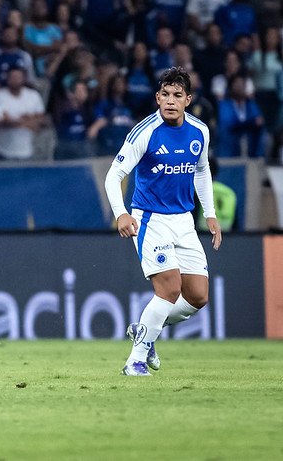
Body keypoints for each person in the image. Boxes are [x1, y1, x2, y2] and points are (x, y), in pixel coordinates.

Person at [104, 67, 221, 376]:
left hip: (184, 219)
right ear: (157, 98)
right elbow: (114, 175)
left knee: (198, 296)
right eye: (165, 95)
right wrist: (121, 213)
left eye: (177, 96)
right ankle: (135, 361)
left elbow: (201, 169)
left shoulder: (200, 131)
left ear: (188, 100)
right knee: (168, 289)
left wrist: (209, 212)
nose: (170, 101)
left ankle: (148, 331)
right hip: (150, 218)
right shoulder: (145, 132)